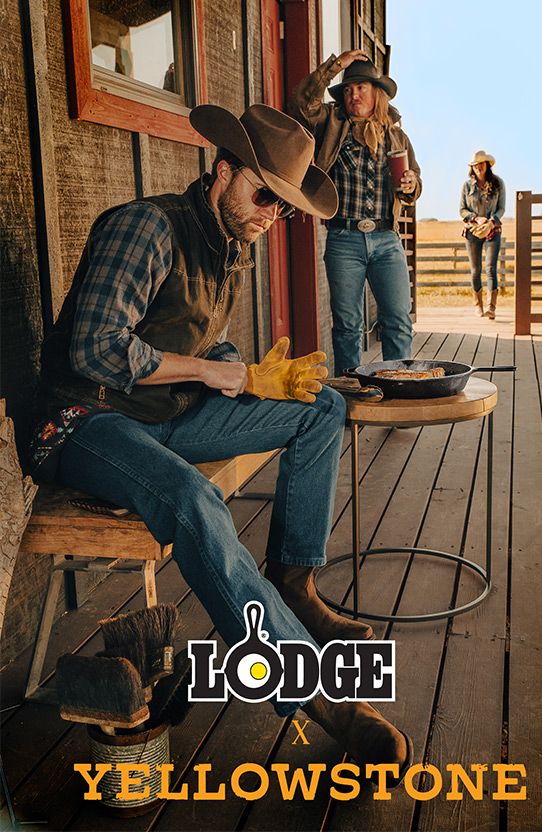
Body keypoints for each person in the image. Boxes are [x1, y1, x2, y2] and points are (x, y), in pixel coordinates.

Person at [29, 103, 412, 779]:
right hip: (84, 422)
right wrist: (211, 370)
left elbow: (192, 335)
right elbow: (94, 349)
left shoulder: (229, 243)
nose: (271, 216)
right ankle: (317, 695)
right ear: (222, 171)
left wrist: (252, 374)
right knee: (195, 497)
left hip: (162, 413)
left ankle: (293, 584)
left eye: (284, 208)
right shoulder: (147, 227)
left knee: (319, 406)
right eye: (265, 195)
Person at [290, 50, 422, 377]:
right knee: (347, 325)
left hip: (386, 238)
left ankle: (399, 387)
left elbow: (415, 184)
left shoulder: (396, 135)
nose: (353, 95)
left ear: (376, 93)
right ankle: (353, 395)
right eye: (348, 89)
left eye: (361, 88)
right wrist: (337, 65)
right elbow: (302, 101)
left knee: (398, 319)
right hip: (343, 238)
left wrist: (410, 184)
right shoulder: (331, 123)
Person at [459, 150, 506, 319]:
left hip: (492, 230)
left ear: (487, 165)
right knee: (475, 270)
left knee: (491, 269)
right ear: (473, 168)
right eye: (475, 165)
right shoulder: (467, 186)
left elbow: (501, 208)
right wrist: (476, 219)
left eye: (481, 164)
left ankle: (491, 307)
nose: (478, 167)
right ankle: (477, 305)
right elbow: (462, 209)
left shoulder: (498, 183)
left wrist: (491, 222)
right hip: (473, 230)